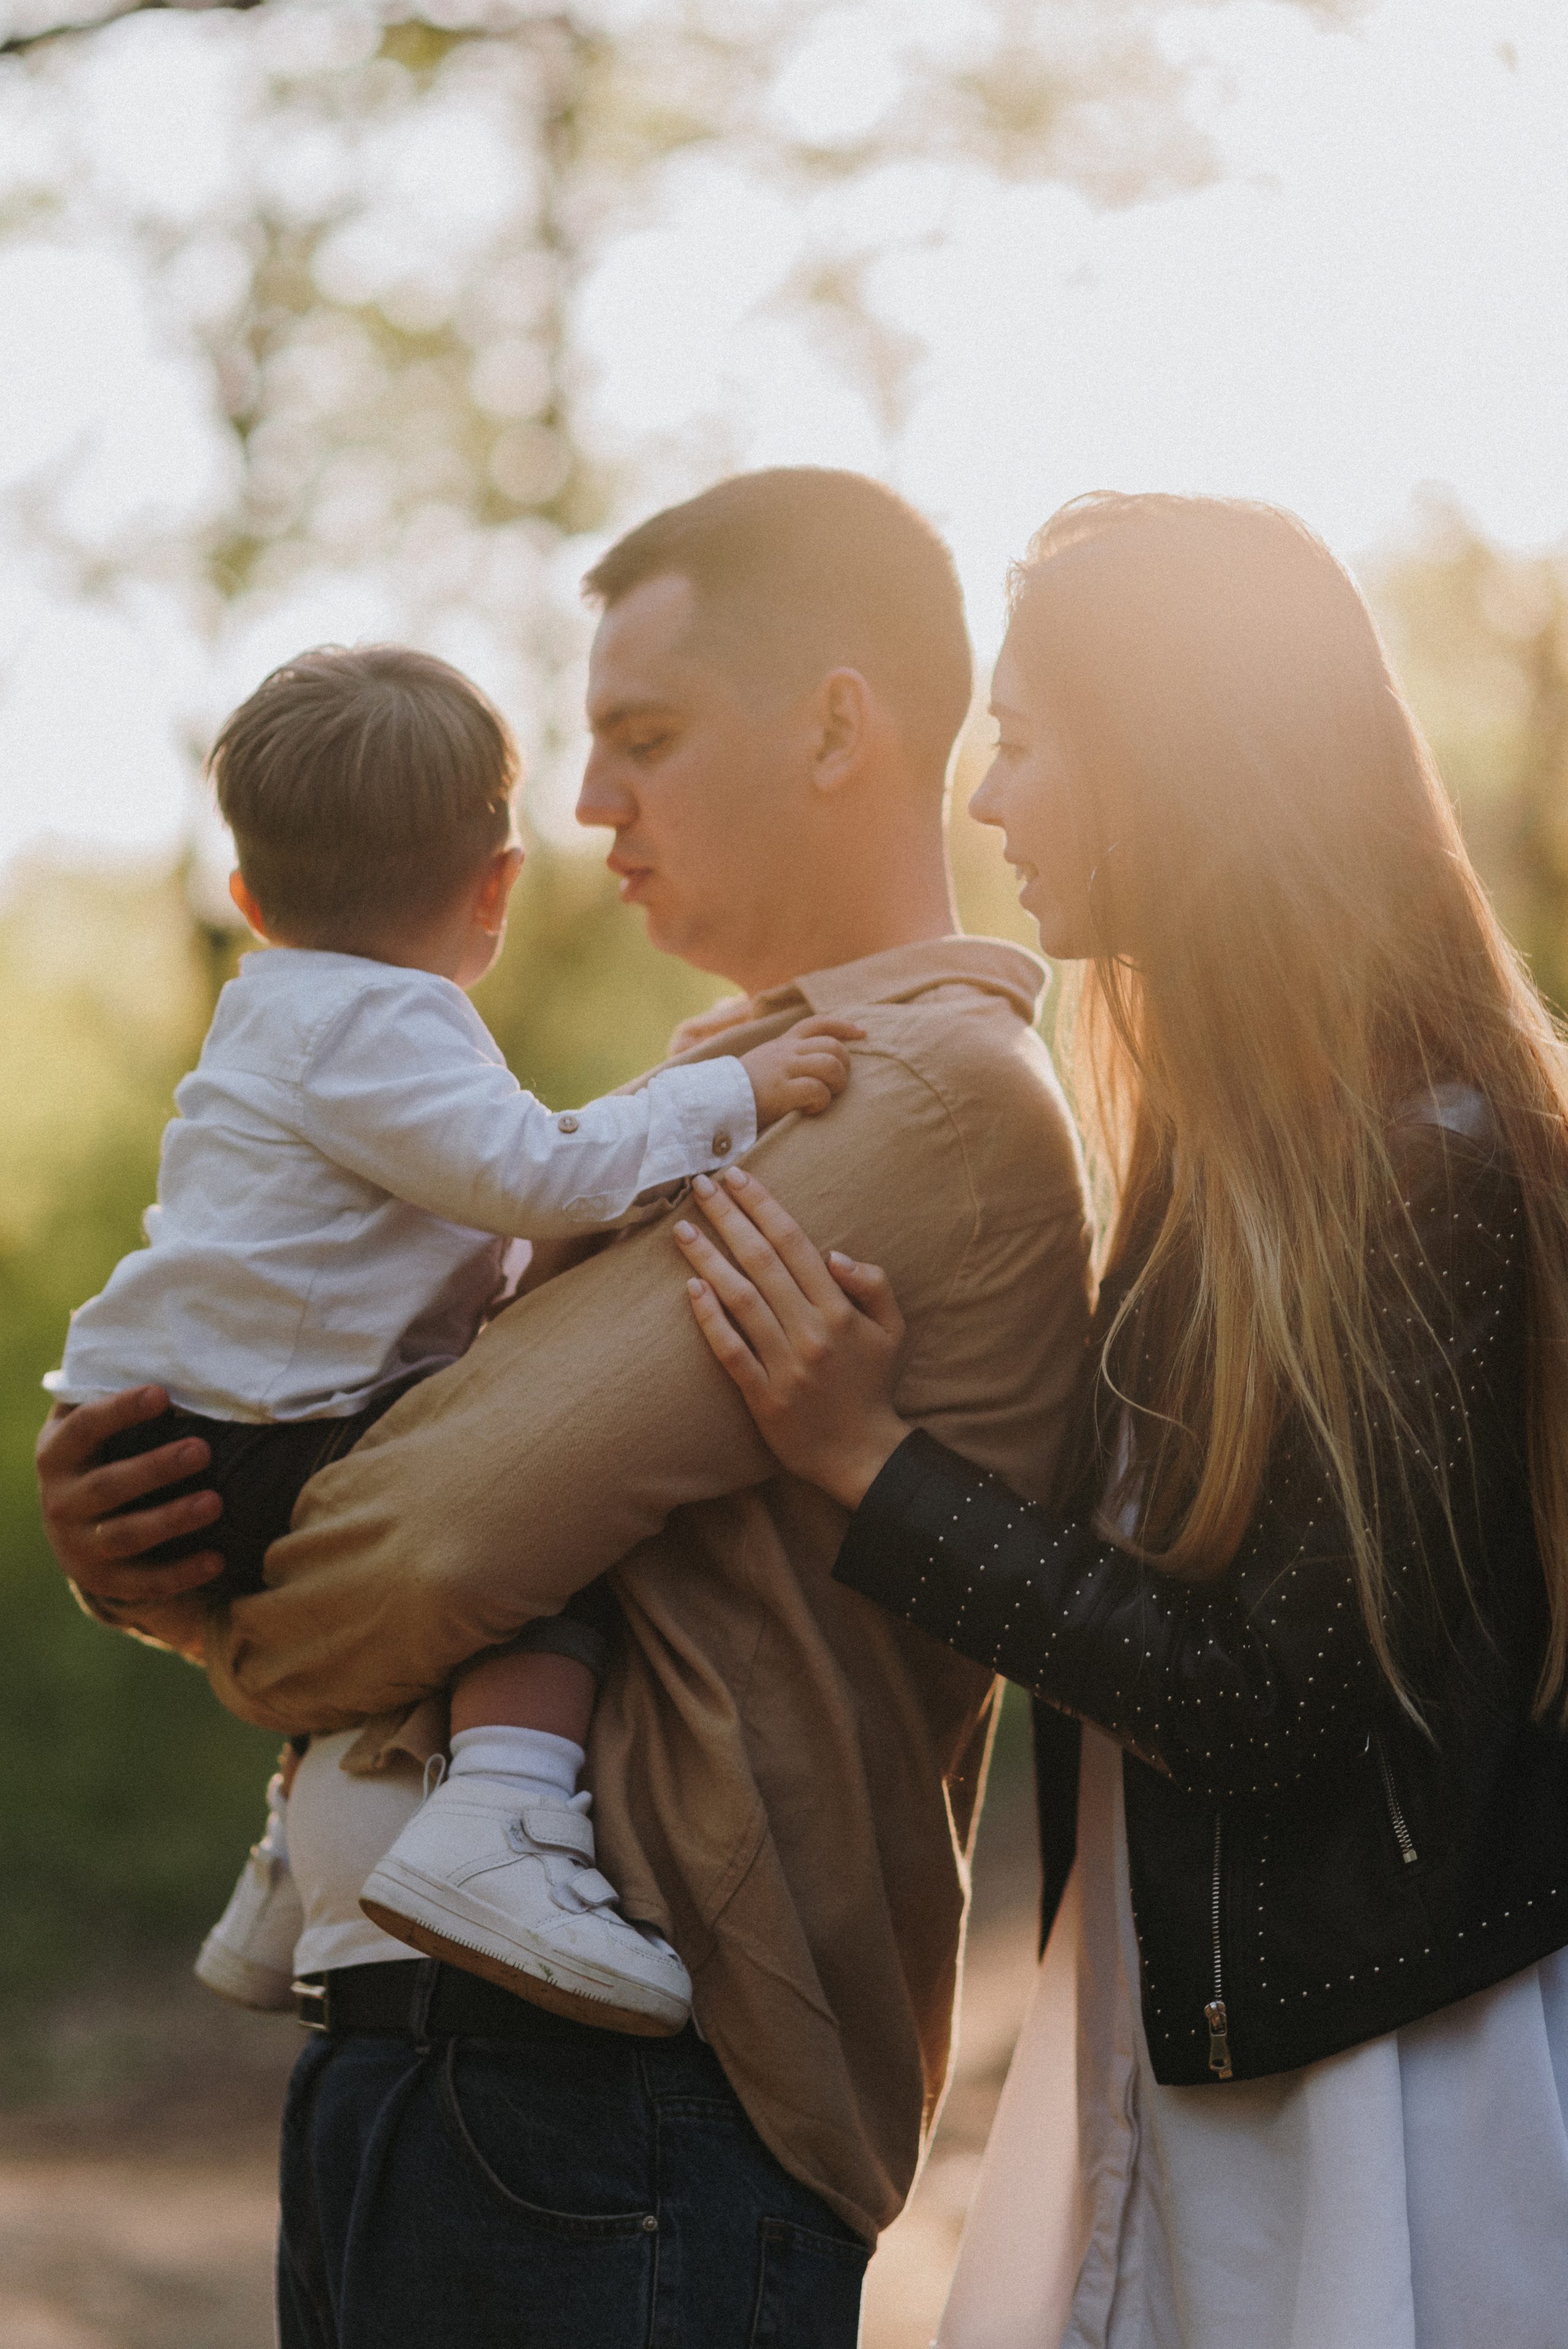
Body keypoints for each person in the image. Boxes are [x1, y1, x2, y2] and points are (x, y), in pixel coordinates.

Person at [36, 467, 1095, 2347]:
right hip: (460, 2073)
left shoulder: (904, 1094)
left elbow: (441, 1529)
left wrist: (228, 1608)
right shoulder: (734, 1081)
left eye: (644, 736)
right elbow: (422, 1468)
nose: (592, 804)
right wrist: (159, 1517)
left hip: (630, 2111)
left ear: (841, 723)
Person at [672, 491, 1568, 2349]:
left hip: (1384, 2096)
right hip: (1221, 2049)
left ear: (1178, 764)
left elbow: (1258, 1696)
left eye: (1022, 738)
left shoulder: (1438, 1176)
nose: (987, 800)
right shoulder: (1224, 1187)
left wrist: (869, 1466)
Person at [47, 639, 859, 2043]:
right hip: (260, 1431)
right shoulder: (380, 1019)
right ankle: (500, 1818)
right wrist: (727, 1091)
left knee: (433, 1433)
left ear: (247, 899)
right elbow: (535, 1174)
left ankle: (295, 1853)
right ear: (494, 887)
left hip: (192, 1420)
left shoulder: (277, 1013)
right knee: (539, 1525)